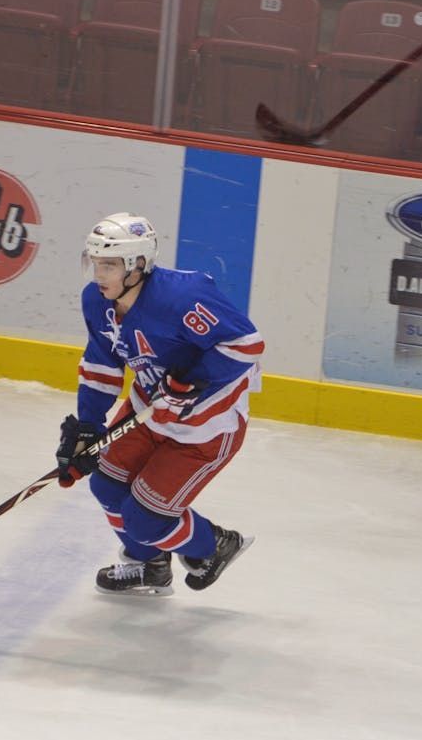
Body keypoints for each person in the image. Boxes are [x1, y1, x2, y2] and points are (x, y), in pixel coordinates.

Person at [55, 212, 265, 596]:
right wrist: (88, 427)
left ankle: (215, 546)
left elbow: (246, 345)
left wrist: (193, 378)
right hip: (149, 410)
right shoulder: (97, 301)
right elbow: (102, 363)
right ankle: (149, 567)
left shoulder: (181, 298)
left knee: (146, 522)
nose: (99, 274)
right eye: (95, 262)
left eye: (109, 265)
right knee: (105, 484)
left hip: (205, 425)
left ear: (137, 266)